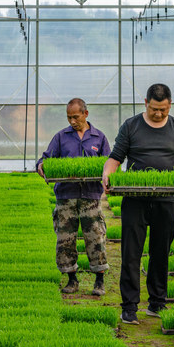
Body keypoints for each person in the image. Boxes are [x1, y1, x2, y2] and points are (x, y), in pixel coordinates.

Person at [101, 83, 174, 325]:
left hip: (167, 200)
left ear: (170, 106)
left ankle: (157, 303)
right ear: (145, 103)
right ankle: (129, 307)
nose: (159, 114)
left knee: (161, 253)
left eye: (164, 110)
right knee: (131, 253)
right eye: (155, 109)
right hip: (135, 200)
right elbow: (116, 157)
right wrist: (108, 174)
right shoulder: (131, 125)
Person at [37, 98, 112, 296]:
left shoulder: (99, 137)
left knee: (95, 237)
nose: (72, 121)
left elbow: (110, 163)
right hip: (66, 197)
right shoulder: (61, 137)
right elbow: (45, 159)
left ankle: (99, 280)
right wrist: (42, 166)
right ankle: (71, 279)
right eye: (69, 117)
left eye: (75, 117)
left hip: (91, 197)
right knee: (65, 239)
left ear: (86, 114)